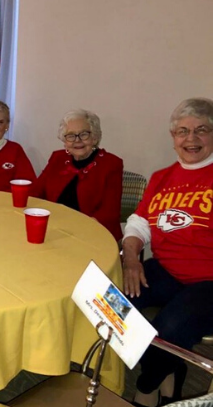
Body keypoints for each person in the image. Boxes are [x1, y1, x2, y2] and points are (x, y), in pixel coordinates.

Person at [122, 98, 213, 407]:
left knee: (170, 326)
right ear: (173, 138)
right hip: (167, 269)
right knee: (115, 305)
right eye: (183, 131)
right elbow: (139, 223)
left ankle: (146, 388)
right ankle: (170, 371)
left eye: (202, 130)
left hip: (208, 280)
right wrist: (131, 258)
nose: (191, 139)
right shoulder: (162, 177)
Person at [30, 109, 123, 240]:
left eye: (84, 134)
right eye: (71, 135)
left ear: (95, 137)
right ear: (65, 141)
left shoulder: (111, 164)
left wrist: (77, 231)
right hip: (54, 230)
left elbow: (109, 213)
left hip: (92, 234)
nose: (77, 140)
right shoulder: (58, 158)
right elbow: (35, 192)